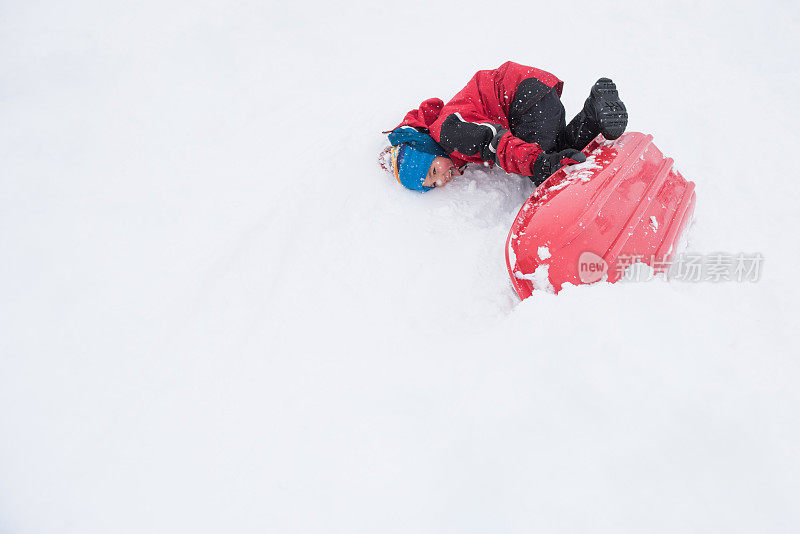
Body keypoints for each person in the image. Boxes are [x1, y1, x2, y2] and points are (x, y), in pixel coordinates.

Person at [381, 61, 628, 192]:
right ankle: (594, 112)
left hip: (522, 98)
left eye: (434, 171)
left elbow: (495, 142)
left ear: (431, 152)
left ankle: (593, 117)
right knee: (555, 156)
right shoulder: (447, 132)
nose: (441, 181)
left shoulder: (449, 132)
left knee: (546, 172)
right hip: (528, 95)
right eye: (432, 184)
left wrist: (538, 164)